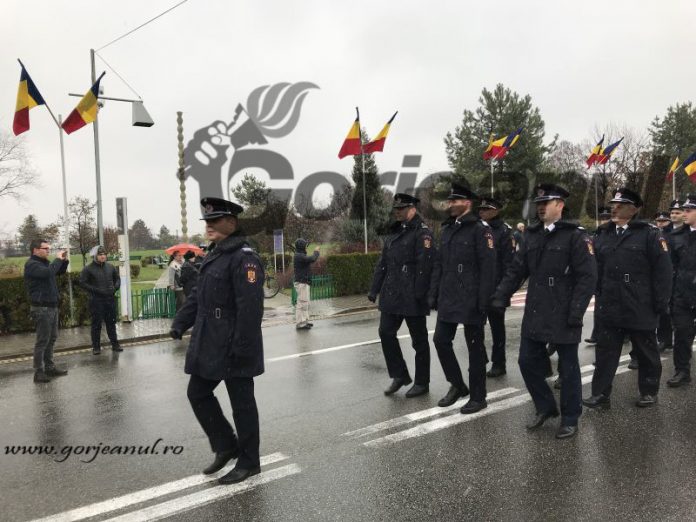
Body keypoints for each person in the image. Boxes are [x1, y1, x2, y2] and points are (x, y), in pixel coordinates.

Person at [170, 196, 265, 485]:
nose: (209, 225)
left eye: (215, 220)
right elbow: (198, 295)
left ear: (231, 222)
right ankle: (225, 444)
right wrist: (180, 322)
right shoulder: (215, 254)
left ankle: (249, 462)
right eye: (207, 220)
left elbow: (250, 308)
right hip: (211, 340)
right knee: (197, 393)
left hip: (235, 343)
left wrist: (242, 346)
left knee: (242, 405)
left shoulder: (244, 258)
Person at [490, 184, 596, 439]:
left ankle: (570, 418)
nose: (540, 207)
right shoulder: (531, 235)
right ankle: (546, 406)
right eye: (538, 203)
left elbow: (587, 277)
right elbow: (517, 270)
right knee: (526, 361)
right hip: (537, 309)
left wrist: (576, 312)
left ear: (560, 205)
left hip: (564, 310)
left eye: (545, 203)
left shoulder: (575, 236)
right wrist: (501, 295)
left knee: (568, 368)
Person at [584, 188, 672, 410]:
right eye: (613, 204)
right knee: (605, 353)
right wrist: (598, 292)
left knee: (646, 352)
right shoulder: (603, 234)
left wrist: (660, 304)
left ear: (634, 209)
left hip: (640, 304)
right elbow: (595, 267)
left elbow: (663, 272)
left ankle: (649, 391)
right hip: (610, 304)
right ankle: (600, 394)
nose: (614, 208)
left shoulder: (650, 234)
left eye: (620, 205)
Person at [429, 183, 495, 413]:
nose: (450, 205)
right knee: (440, 340)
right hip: (449, 296)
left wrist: (484, 301)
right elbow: (439, 264)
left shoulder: (480, 230)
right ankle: (457, 385)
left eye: (454, 201)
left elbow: (488, 268)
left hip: (471, 297)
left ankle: (478, 396)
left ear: (467, 203)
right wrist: (434, 293)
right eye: (449, 201)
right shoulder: (448, 229)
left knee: (475, 349)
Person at [368, 193, 435, 397]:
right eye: (396, 209)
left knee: (419, 341)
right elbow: (383, 263)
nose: (397, 212)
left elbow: (425, 265)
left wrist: (422, 294)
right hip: (392, 293)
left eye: (401, 208)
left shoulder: (422, 233)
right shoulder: (395, 232)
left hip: (413, 294)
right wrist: (374, 289)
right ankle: (399, 375)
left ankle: (422, 383)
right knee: (385, 332)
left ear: (412, 209)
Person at [477, 195, 516, 377]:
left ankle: (499, 363)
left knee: (497, 328)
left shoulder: (504, 232)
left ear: (496, 211)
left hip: (496, 287)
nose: (482, 212)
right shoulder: (477, 228)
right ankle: (480, 359)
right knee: (475, 326)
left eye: (486, 209)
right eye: (481, 209)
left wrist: (503, 291)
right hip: (478, 287)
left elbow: (509, 264)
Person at [24, 239, 70, 383]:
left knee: (52, 338)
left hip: (52, 306)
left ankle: (49, 367)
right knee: (43, 340)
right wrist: (57, 260)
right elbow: (48, 273)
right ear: (35, 250)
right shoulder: (32, 264)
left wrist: (64, 261)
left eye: (49, 248)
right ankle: (39, 372)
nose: (48, 251)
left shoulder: (44, 263)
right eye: (45, 248)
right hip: (41, 307)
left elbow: (58, 271)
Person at [665, 195, 696, 388]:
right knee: (682, 335)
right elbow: (670, 268)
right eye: (683, 210)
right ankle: (682, 371)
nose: (684, 214)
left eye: (689, 210)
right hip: (682, 294)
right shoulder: (676, 236)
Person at [79, 246, 122, 355]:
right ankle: (96, 347)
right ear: (95, 256)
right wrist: (96, 290)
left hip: (110, 299)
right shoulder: (88, 269)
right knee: (96, 324)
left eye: (104, 254)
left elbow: (117, 278)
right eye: (100, 254)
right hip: (96, 301)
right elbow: (82, 283)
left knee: (111, 323)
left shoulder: (110, 267)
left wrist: (116, 287)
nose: (103, 256)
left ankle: (115, 344)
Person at [584, 206, 612, 346]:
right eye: (602, 218)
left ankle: (622, 334)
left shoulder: (615, 234)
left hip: (612, 276)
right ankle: (596, 334)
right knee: (599, 309)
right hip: (600, 276)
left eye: (607, 218)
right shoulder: (597, 235)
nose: (604, 221)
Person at [293, 238, 320, 330]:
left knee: (305, 303)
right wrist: (316, 252)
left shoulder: (300, 255)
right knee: (302, 303)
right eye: (305, 246)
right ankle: (300, 323)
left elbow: (309, 260)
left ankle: (304, 321)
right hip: (302, 283)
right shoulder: (299, 256)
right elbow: (312, 259)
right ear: (301, 246)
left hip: (304, 282)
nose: (306, 247)